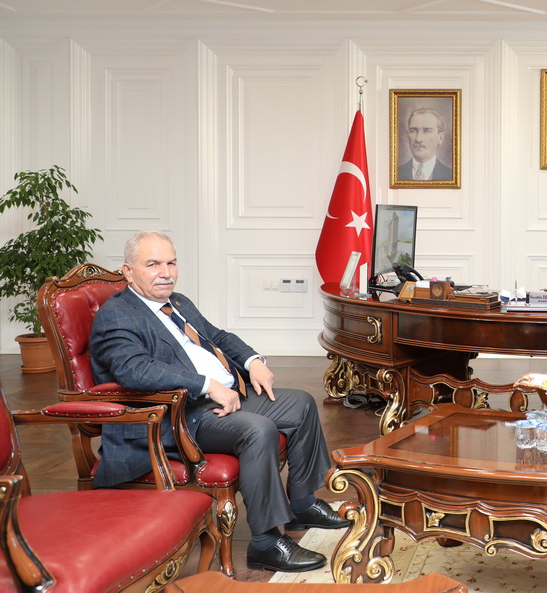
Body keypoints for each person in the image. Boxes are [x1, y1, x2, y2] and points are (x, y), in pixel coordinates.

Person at [89, 230, 349, 573]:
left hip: (223, 397)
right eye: (153, 264)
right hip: (178, 416)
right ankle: (266, 543)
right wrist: (206, 385)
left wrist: (254, 361)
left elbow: (218, 337)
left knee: (300, 403)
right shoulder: (117, 315)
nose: (165, 273)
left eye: (171, 263)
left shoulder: (177, 302)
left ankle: (301, 504)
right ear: (128, 271)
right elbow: (134, 370)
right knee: (257, 430)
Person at [397, 108, 452, 181]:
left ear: (440, 138)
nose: (418, 139)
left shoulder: (451, 177)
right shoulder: (395, 174)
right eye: (413, 131)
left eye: (427, 131)